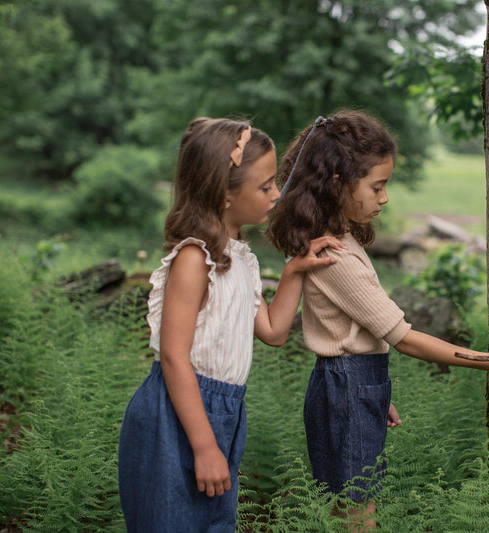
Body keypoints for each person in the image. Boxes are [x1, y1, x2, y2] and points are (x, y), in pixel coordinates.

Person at [265, 110, 489, 529]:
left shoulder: (337, 240)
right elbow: (404, 338)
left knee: (347, 507)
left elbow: (351, 333)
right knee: (357, 514)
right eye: (377, 186)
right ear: (338, 183)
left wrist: (372, 394)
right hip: (346, 388)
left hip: (349, 385)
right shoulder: (335, 256)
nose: (385, 198)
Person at [117, 117, 345, 532]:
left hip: (225, 411)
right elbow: (173, 356)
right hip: (176, 414)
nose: (277, 195)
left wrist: (294, 271)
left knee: (213, 523)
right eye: (265, 186)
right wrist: (204, 446)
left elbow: (274, 331)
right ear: (224, 194)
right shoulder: (194, 259)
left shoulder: (240, 258)